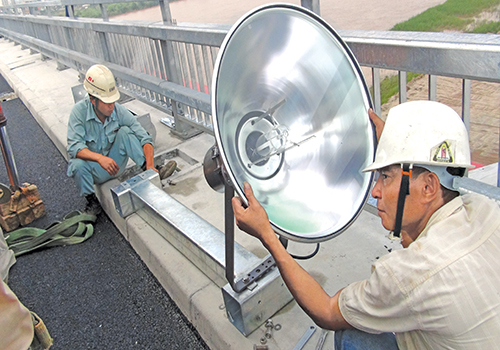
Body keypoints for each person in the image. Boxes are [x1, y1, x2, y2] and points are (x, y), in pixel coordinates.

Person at [232, 100, 500, 350]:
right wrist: (393, 147)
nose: (375, 191)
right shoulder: (487, 210)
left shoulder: (408, 276)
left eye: (385, 176)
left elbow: (326, 311)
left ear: (428, 186)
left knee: (351, 334)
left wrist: (267, 235)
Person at [66, 64, 175, 215]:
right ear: (93, 99)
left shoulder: (118, 111)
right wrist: (100, 159)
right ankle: (91, 201)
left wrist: (150, 163)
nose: (111, 106)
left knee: (125, 132)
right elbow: (73, 147)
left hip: (115, 165)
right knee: (76, 164)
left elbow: (144, 137)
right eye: (107, 102)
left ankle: (149, 170)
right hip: (95, 171)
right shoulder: (79, 113)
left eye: (113, 101)